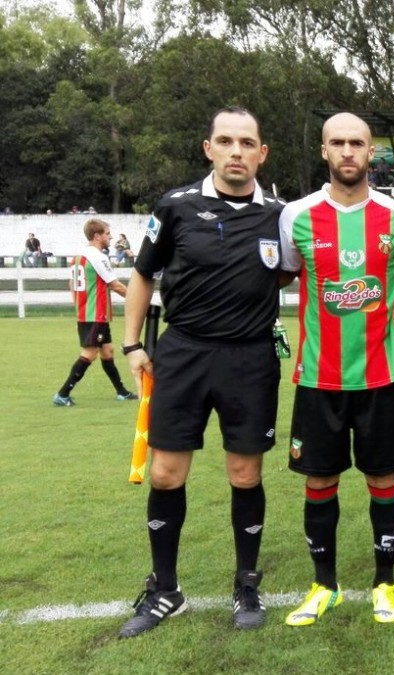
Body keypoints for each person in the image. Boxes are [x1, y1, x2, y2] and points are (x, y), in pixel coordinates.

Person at [118, 106, 287, 638]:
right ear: (208, 148)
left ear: (262, 153)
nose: (236, 151)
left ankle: (247, 584)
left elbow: (286, 272)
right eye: (225, 141)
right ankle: (165, 589)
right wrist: (131, 345)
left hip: (250, 358)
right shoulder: (175, 207)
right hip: (183, 355)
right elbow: (143, 277)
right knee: (167, 473)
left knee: (245, 474)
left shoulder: (280, 215)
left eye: (247, 143)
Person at [278, 113, 394, 627]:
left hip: (380, 376)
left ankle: (385, 584)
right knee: (318, 480)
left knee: (383, 478)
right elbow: (278, 273)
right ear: (324, 151)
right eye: (337, 143)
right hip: (318, 377)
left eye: (357, 143)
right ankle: (323, 586)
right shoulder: (296, 217)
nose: (348, 152)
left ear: (371, 152)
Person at [52, 218, 138, 407]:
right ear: (97, 236)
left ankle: (122, 392)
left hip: (87, 313)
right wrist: (139, 299)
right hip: (95, 314)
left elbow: (71, 285)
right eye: (107, 233)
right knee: (90, 353)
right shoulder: (97, 256)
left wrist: (78, 309)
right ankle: (62, 394)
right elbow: (115, 285)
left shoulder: (78, 257)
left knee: (107, 351)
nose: (111, 237)